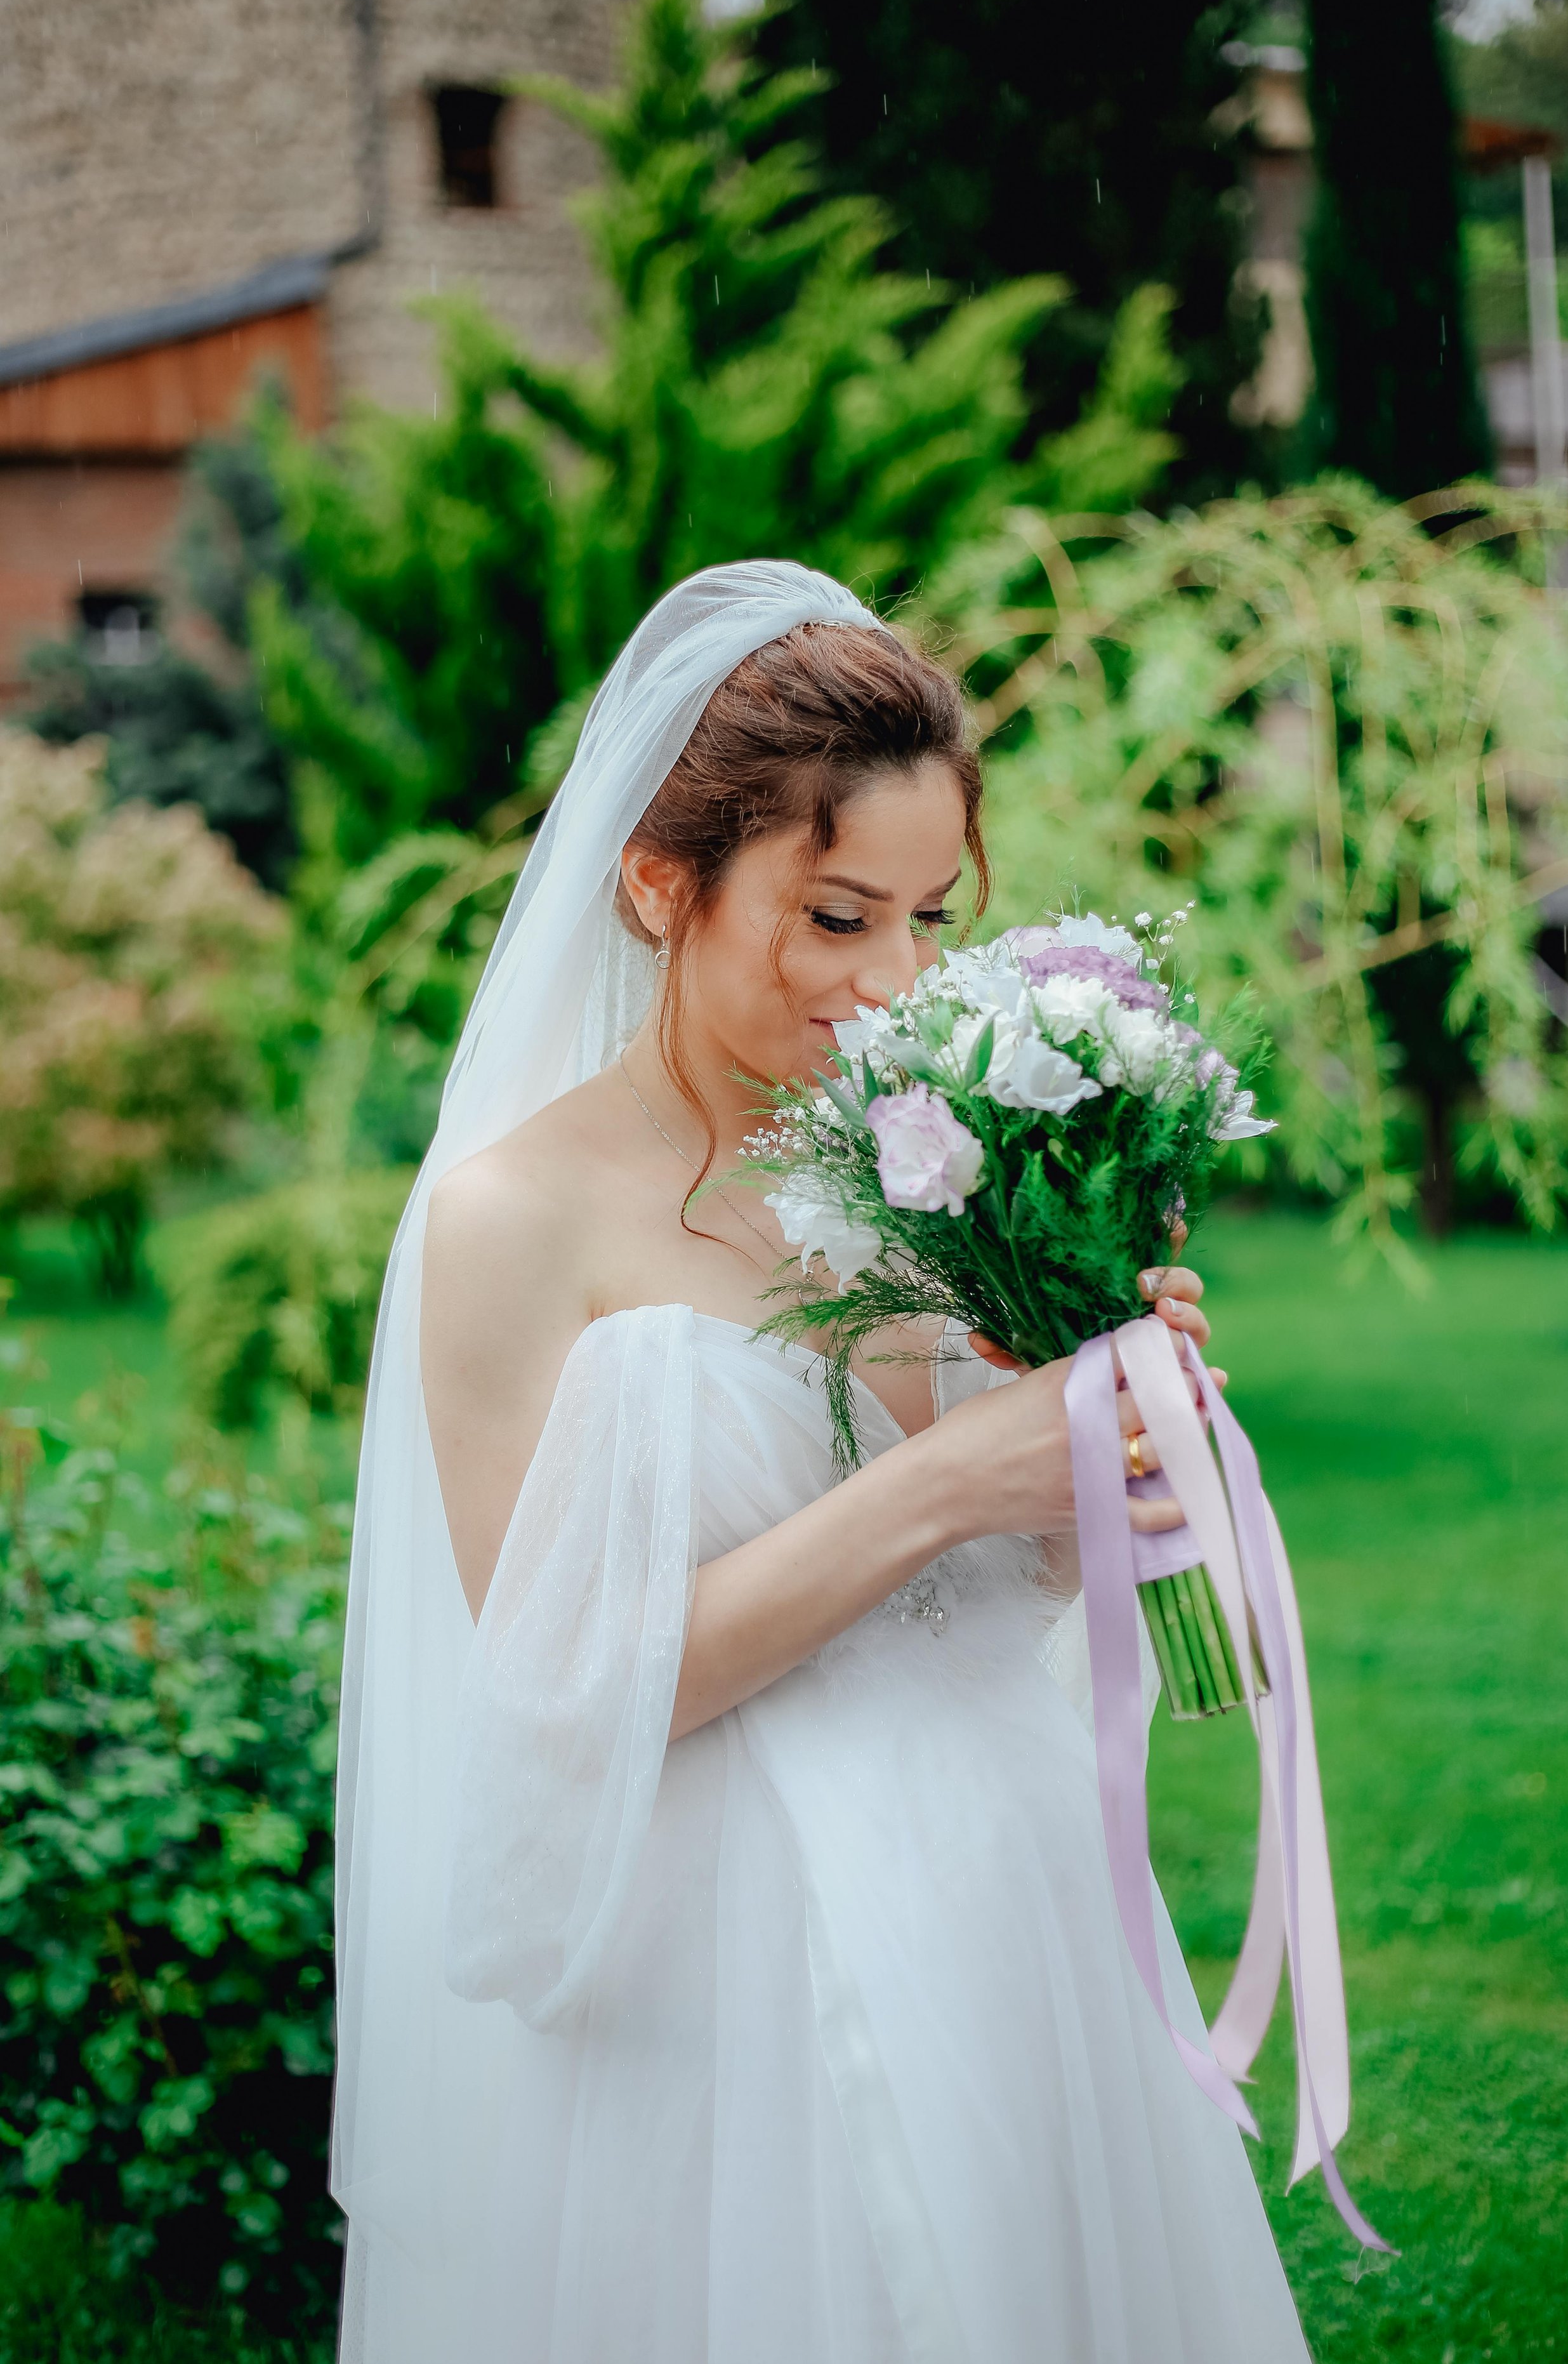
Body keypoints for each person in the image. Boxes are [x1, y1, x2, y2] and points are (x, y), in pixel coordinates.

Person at [333, 564, 1310, 2361]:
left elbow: (992, 1583)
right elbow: (557, 1691)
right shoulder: (508, 1222)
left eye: (931, 919)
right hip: (716, 1960)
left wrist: (1102, 1456)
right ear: (659, 885)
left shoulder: (916, 1171)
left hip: (1004, 1893)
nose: (892, 988)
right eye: (835, 915)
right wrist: (948, 1480)